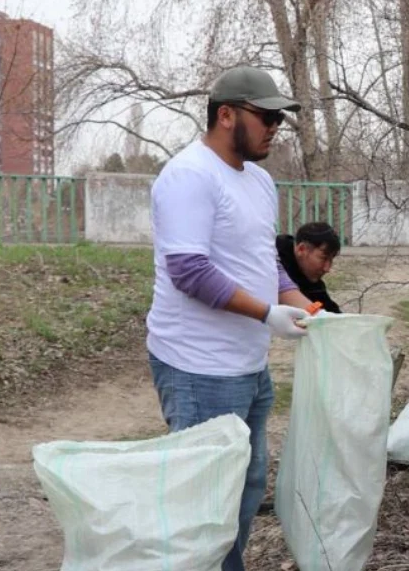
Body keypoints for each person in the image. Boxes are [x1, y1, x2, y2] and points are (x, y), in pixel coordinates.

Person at [146, 65, 315, 571]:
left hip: (247, 366)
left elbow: (265, 261)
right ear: (226, 115)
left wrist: (301, 304)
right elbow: (189, 271)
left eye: (278, 119)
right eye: (266, 116)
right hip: (198, 368)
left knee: (245, 489)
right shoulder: (188, 177)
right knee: (203, 504)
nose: (274, 127)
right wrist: (267, 313)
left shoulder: (260, 182)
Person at [276, 221, 342, 313]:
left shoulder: (311, 279)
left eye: (331, 260)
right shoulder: (271, 262)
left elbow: (332, 315)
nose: (327, 269)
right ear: (301, 249)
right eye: (323, 258)